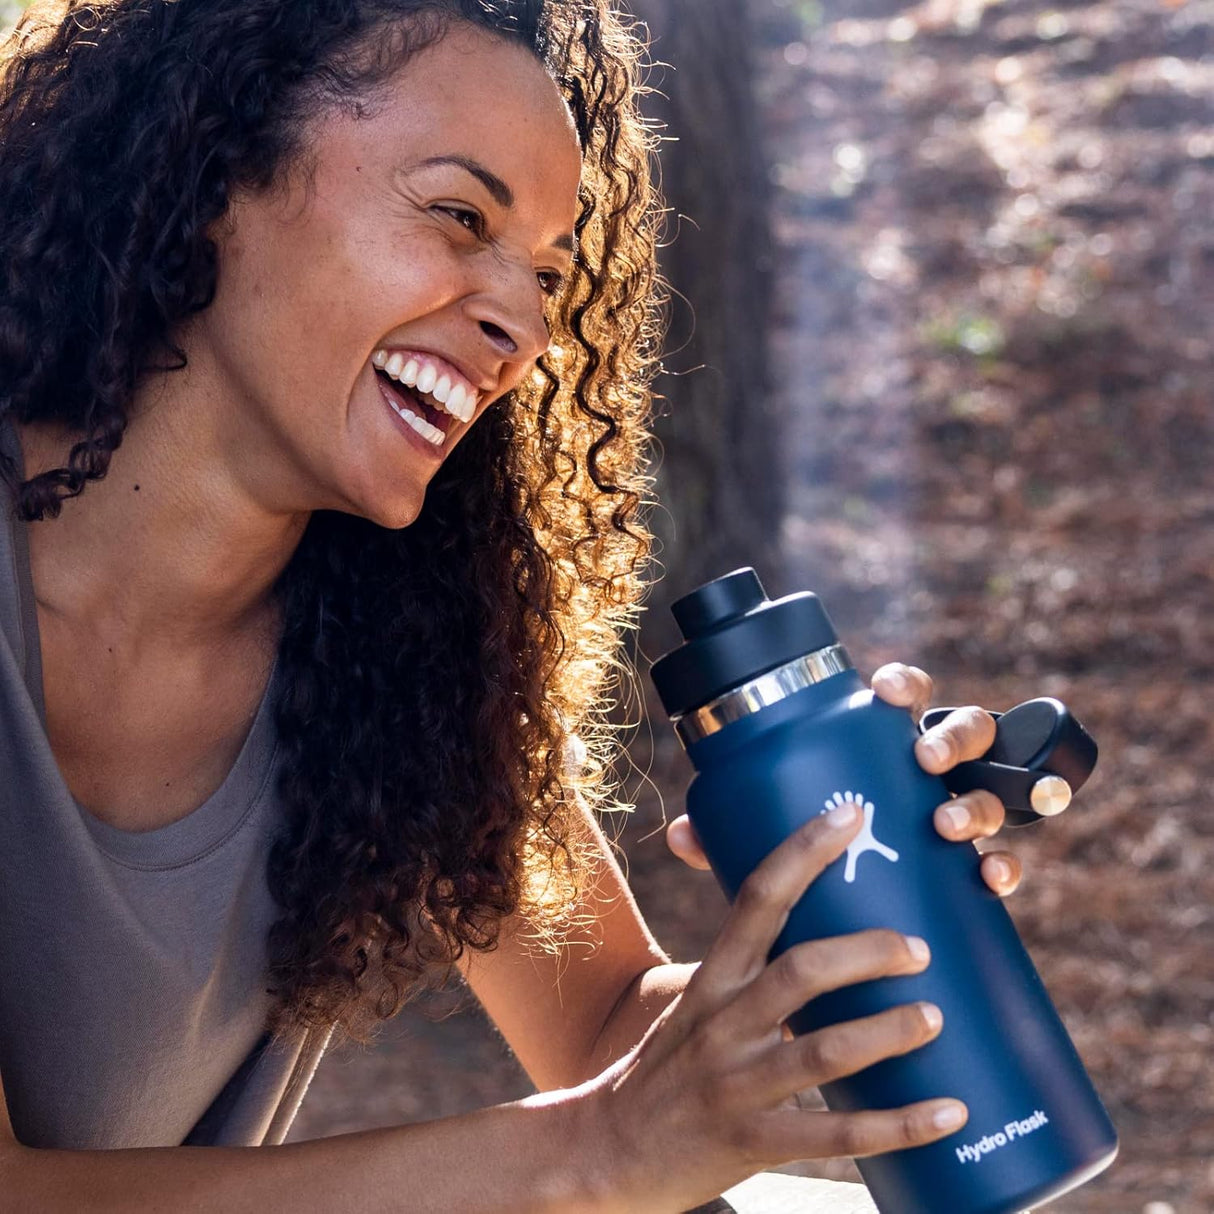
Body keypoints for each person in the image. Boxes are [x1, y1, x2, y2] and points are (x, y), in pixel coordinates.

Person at [0, 0, 1023, 1209]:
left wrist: (846, 927)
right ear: (215, 168)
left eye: (544, 272)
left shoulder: (387, 636)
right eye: (457, 216)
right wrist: (592, 1151)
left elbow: (598, 1022)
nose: (525, 326)